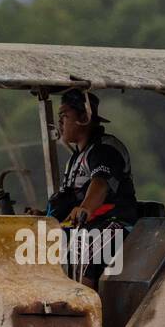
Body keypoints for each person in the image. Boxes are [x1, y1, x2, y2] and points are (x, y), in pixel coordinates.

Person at [44, 89, 137, 286]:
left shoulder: (106, 149)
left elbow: (100, 184)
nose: (60, 122)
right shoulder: (74, 159)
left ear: (84, 118)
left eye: (64, 116)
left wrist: (85, 208)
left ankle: (81, 308)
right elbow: (68, 199)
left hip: (114, 223)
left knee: (84, 253)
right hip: (86, 226)